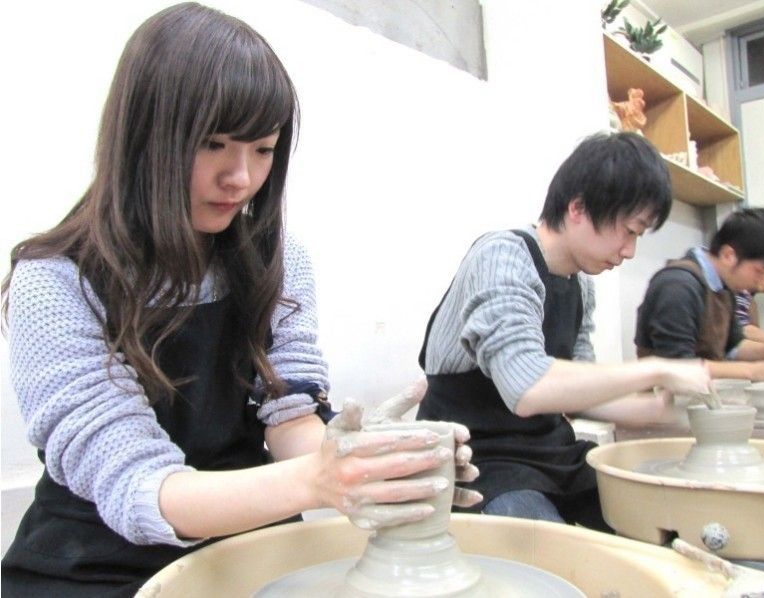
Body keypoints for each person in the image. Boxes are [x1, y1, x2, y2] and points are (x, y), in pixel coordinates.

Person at [0, 4, 478, 596]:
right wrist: (319, 481)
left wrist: (376, 461)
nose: (242, 178)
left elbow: (290, 420)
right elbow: (140, 486)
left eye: (263, 149)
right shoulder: (54, 283)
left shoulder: (278, 258)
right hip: (94, 561)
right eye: (214, 144)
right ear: (143, 135)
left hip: (248, 543)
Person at [416, 131, 712, 528]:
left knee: (650, 521)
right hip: (478, 457)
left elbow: (579, 397)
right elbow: (526, 388)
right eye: (630, 230)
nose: (630, 251)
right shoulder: (502, 257)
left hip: (550, 450)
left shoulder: (581, 284)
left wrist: (661, 409)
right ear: (578, 208)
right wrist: (656, 368)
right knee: (548, 551)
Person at [635, 207, 764, 381]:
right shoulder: (678, 285)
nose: (761, 282)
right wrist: (754, 371)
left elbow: (734, 347)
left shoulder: (725, 287)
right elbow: (677, 365)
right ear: (729, 255)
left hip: (701, 395)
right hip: (663, 400)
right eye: (759, 271)